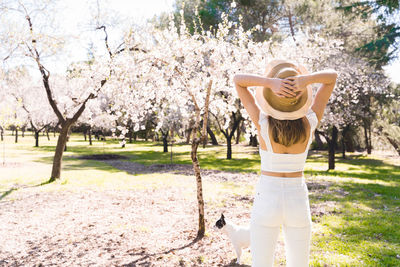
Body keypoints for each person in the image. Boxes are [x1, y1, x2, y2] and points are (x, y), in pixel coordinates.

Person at [233, 59, 338, 267]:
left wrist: (270, 83)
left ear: (271, 100)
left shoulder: (263, 123)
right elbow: (332, 77)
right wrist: (305, 80)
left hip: (267, 197)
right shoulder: (310, 122)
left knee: (262, 263)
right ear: (301, 99)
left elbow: (238, 80)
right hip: (297, 197)